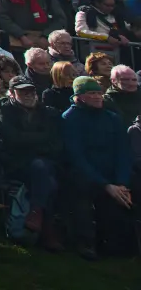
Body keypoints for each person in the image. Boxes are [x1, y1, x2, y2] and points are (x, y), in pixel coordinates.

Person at [60, 74, 131, 260]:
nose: (98, 96)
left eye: (99, 92)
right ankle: (86, 242)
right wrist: (105, 184)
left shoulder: (112, 118)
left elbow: (123, 152)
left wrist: (121, 182)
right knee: (81, 192)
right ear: (79, 96)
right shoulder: (70, 118)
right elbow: (76, 157)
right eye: (91, 93)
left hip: (113, 175)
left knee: (128, 194)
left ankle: (122, 242)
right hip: (85, 175)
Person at [0, 75, 63, 250]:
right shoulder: (4, 110)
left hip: (45, 163)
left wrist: (28, 142)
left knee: (43, 170)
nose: (29, 95)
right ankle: (46, 229)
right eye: (23, 92)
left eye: (31, 91)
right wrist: (40, 140)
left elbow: (56, 144)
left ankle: (37, 216)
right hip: (16, 164)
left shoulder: (49, 112)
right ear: (11, 93)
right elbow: (12, 139)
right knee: (49, 181)